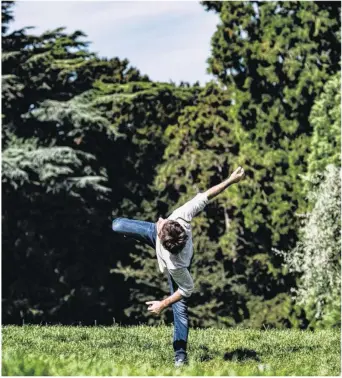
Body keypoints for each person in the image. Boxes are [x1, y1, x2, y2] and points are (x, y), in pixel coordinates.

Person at [112, 166, 245, 367]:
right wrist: (231, 180)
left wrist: (162, 304)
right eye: (163, 222)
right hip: (160, 239)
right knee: (118, 225)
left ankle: (180, 356)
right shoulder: (181, 216)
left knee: (180, 311)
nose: (160, 219)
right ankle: (135, 234)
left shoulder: (177, 265)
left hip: (172, 260)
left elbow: (187, 289)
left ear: (161, 238)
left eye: (161, 223)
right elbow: (208, 194)